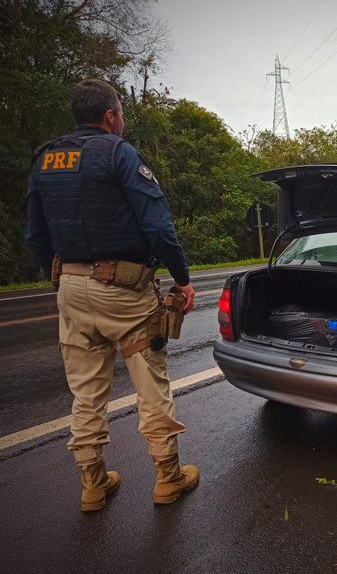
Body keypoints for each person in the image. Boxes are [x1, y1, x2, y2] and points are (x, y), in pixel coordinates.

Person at [25, 79, 199, 512]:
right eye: (120, 114)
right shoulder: (120, 154)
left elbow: (34, 235)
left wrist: (62, 280)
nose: (120, 121)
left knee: (85, 393)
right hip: (124, 294)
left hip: (70, 286)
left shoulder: (46, 159)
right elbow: (159, 227)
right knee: (150, 381)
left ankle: (94, 484)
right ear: (110, 116)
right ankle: (168, 477)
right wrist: (182, 278)